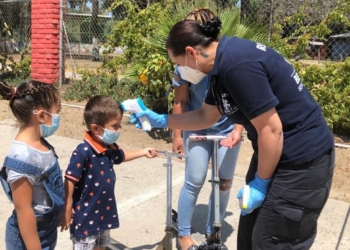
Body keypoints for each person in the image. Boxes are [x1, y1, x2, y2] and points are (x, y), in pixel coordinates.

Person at [131, 14, 335, 250]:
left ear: (191, 52)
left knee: (271, 242)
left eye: (179, 63)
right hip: (275, 155)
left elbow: (272, 130)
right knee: (248, 238)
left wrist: (261, 183)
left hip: (302, 163)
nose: (180, 71)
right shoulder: (220, 69)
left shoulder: (238, 65)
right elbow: (205, 116)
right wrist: (161, 120)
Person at [171, 8, 242, 250]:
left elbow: (242, 99)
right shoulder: (185, 62)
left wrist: (238, 128)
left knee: (223, 182)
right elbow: (180, 100)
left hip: (227, 131)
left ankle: (214, 232)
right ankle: (184, 234)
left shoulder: (225, 60)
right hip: (197, 129)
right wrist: (178, 135)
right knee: (194, 181)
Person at [60, 95, 157, 250]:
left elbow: (122, 156)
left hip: (103, 213)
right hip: (85, 215)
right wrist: (67, 205)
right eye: (115, 126)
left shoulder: (109, 147)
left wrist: (143, 152)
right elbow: (70, 178)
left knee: (101, 246)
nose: (120, 129)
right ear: (96, 128)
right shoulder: (83, 151)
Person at [0, 80, 64, 249]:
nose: (59, 117)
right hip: (28, 239)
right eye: (58, 112)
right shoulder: (22, 156)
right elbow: (24, 210)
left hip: (46, 230)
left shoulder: (41, 143)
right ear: (41, 116)